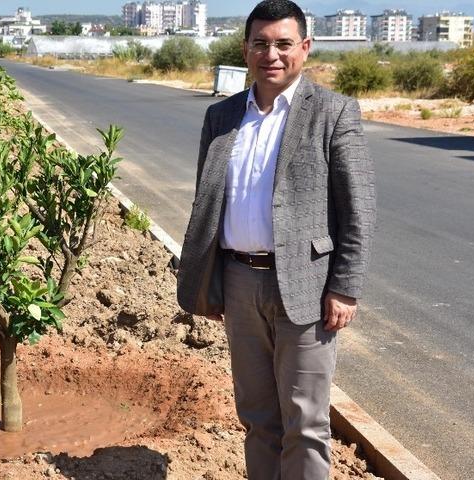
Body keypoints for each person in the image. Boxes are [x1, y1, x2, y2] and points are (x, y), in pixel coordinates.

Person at [176, 0, 376, 477]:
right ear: (245, 50)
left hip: (305, 288)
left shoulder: (333, 112)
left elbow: (359, 207)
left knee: (305, 421)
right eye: (261, 44)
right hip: (240, 285)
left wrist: (345, 286)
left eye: (284, 44)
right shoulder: (221, 117)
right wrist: (208, 279)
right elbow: (208, 204)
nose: (272, 54)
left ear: (304, 48)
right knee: (257, 417)